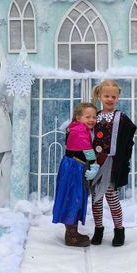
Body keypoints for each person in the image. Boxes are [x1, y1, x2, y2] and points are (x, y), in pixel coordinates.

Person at [90, 80, 137, 247]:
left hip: (111, 163)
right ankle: (98, 229)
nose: (110, 99)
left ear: (118, 98)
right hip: (96, 162)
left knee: (111, 196)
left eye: (113, 96)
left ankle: (119, 230)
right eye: (106, 96)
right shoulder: (94, 116)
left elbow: (129, 135)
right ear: (100, 96)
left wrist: (123, 157)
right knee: (96, 198)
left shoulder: (121, 117)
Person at [52, 102, 100, 247]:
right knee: (74, 197)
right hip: (74, 168)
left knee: (73, 197)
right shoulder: (80, 130)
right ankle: (71, 236)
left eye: (94, 117)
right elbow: (87, 150)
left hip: (73, 165)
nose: (92, 120)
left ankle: (72, 232)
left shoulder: (76, 127)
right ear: (78, 117)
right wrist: (94, 165)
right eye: (87, 117)